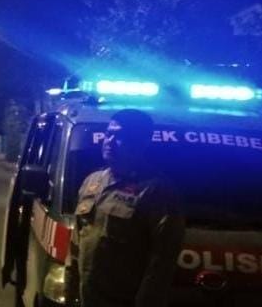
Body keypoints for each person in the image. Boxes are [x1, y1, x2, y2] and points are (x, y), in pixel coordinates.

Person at [67, 109, 185, 307]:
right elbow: (77, 240)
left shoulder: (156, 191)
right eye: (109, 134)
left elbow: (162, 260)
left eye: (120, 136)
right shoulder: (92, 182)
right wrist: (70, 287)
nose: (110, 141)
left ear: (141, 143)